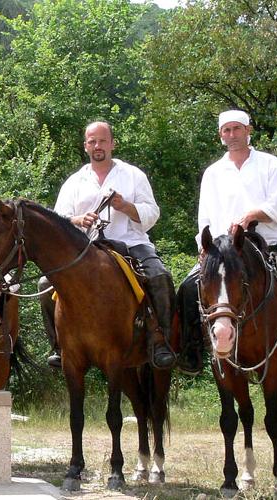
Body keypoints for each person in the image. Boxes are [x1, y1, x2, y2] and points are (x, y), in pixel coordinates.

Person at [176, 110, 277, 381]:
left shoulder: (270, 164)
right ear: (220, 135)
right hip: (222, 251)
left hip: (270, 242)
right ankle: (192, 350)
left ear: (248, 130)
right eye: (226, 130)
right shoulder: (213, 173)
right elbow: (204, 217)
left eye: (237, 129)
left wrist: (250, 216)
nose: (232, 135)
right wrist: (204, 249)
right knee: (186, 289)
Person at [41, 121, 177, 370]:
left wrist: (125, 206)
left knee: (160, 276)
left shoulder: (134, 175)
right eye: (92, 141)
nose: (97, 146)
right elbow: (58, 221)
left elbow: (152, 212)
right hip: (87, 249)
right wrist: (78, 220)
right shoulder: (74, 181)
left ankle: (160, 341)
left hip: (131, 243)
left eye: (102, 141)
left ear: (113, 143)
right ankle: (60, 346)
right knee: (44, 285)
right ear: (85, 146)